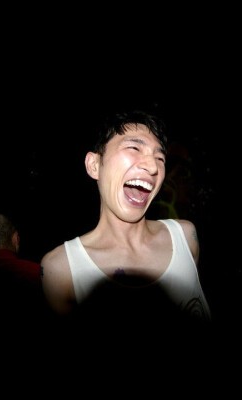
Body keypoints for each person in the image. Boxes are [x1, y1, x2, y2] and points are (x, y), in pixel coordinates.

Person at [40, 109, 212, 360]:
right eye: (134, 147)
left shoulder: (186, 236)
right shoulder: (61, 269)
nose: (153, 166)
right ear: (94, 165)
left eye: (160, 158)